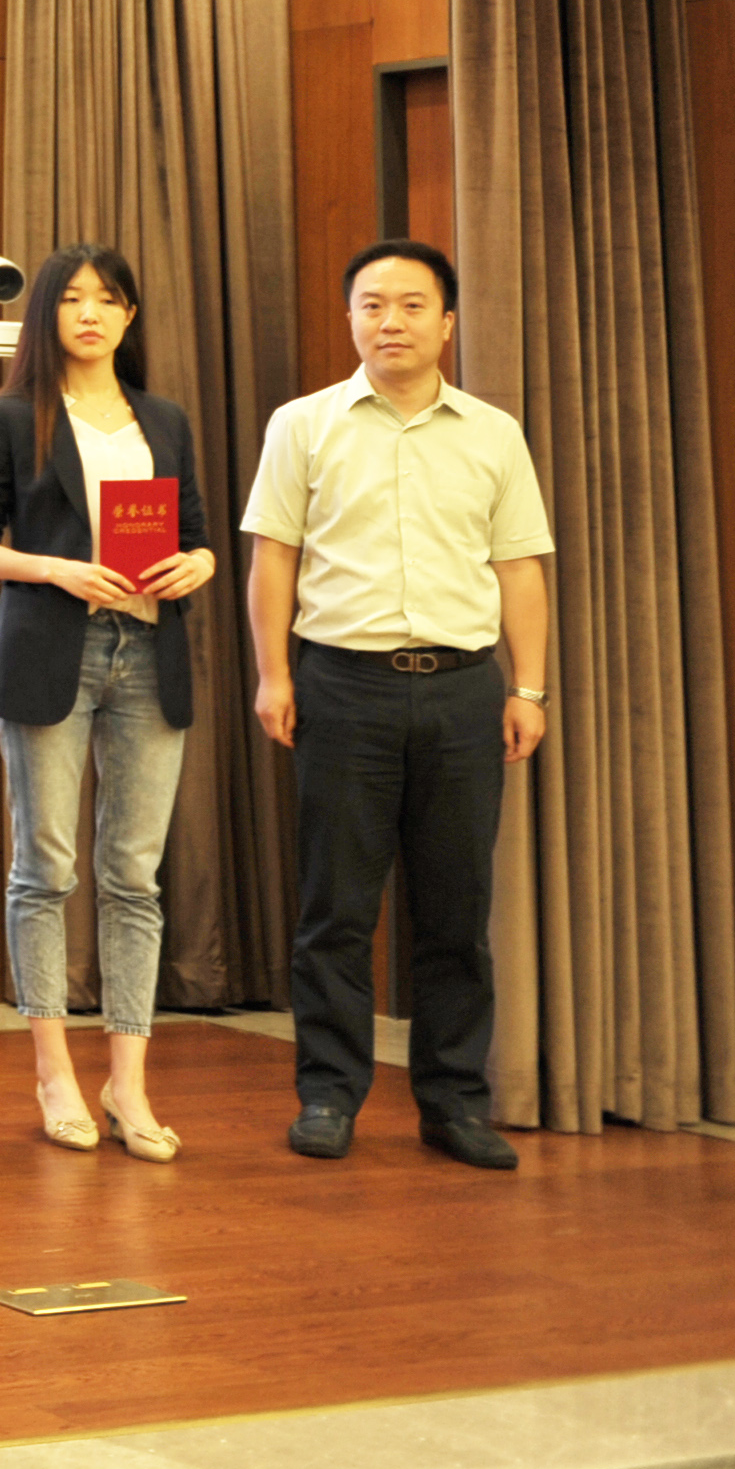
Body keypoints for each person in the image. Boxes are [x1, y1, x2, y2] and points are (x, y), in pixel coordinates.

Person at [245, 237, 554, 1170]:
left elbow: (519, 568)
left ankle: (454, 1103)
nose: (392, 322)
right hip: (342, 686)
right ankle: (328, 1096)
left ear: (447, 323)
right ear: (350, 319)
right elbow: (274, 558)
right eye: (373, 305)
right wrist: (274, 674)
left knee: (456, 913)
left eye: (413, 305)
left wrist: (528, 687)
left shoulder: (493, 433)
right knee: (335, 910)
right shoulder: (302, 424)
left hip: (464, 691)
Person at [0, 243, 216, 1161]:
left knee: (134, 875)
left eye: (108, 299)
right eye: (72, 300)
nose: (91, 314)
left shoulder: (164, 418)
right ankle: (54, 1071)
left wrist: (199, 563)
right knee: (45, 867)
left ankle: (128, 1083)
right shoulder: (11, 415)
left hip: (149, 651)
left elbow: (197, 535)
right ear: (47, 316)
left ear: (130, 315)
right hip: (51, 651)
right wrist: (55, 569)